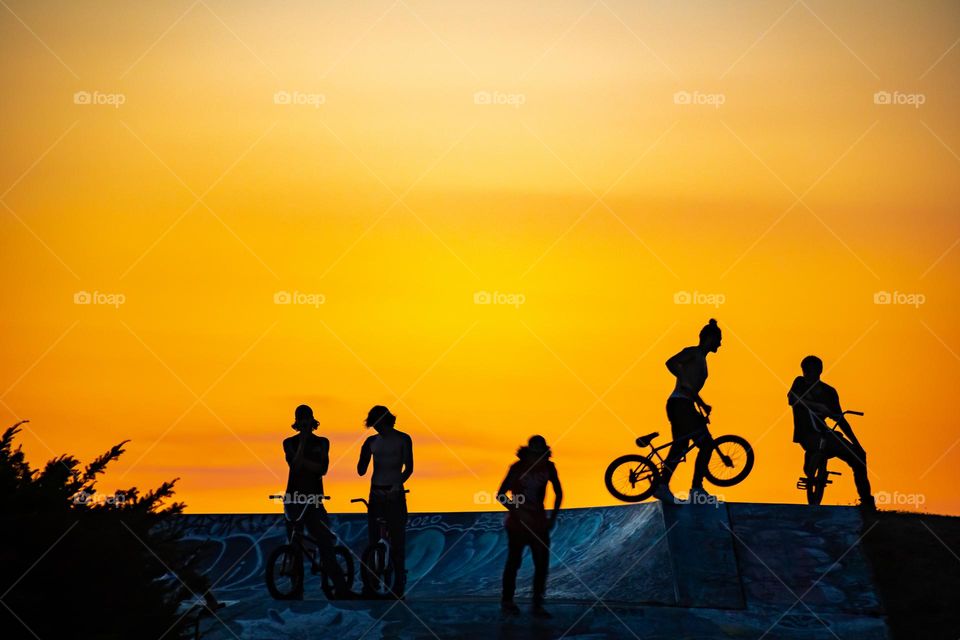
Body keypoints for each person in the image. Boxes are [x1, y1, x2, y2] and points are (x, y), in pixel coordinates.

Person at [281, 404, 352, 599]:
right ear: (297, 422)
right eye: (301, 419)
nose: (304, 422)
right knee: (294, 543)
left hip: (314, 499)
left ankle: (341, 588)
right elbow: (295, 466)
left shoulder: (322, 442)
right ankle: (296, 589)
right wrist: (303, 444)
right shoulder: (289, 442)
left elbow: (322, 469)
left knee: (325, 542)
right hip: (294, 498)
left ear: (312, 420)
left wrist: (304, 462)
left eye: (307, 418)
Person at [788, 356, 875, 510]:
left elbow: (840, 419)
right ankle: (811, 461)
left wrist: (857, 444)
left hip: (824, 433)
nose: (807, 374)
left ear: (820, 371)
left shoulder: (829, 392)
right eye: (805, 371)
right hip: (806, 435)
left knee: (858, 457)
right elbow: (792, 399)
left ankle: (867, 501)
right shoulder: (799, 383)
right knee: (815, 450)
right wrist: (818, 406)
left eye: (811, 371)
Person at [496, 435, 563, 619]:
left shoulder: (549, 467)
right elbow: (500, 495)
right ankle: (507, 601)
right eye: (533, 454)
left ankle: (537, 605)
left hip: (539, 523)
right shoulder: (517, 468)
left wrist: (552, 518)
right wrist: (518, 510)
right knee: (514, 562)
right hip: (516, 524)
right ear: (527, 453)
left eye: (540, 455)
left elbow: (559, 493)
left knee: (541, 564)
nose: (537, 459)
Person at [656, 319, 723, 504]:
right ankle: (696, 489)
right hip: (680, 405)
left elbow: (690, 390)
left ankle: (662, 485)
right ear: (709, 338)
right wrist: (682, 378)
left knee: (681, 446)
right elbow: (670, 362)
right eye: (718, 339)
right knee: (706, 444)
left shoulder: (702, 359)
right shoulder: (693, 352)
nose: (720, 344)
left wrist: (701, 404)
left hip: (683, 404)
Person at [357, 405, 413, 598]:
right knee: (374, 540)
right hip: (376, 493)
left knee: (397, 541)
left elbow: (409, 468)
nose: (375, 428)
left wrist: (398, 485)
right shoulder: (372, 441)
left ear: (385, 421)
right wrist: (364, 454)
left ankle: (397, 586)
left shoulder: (403, 439)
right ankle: (371, 585)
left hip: (395, 493)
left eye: (377, 424)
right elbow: (361, 470)